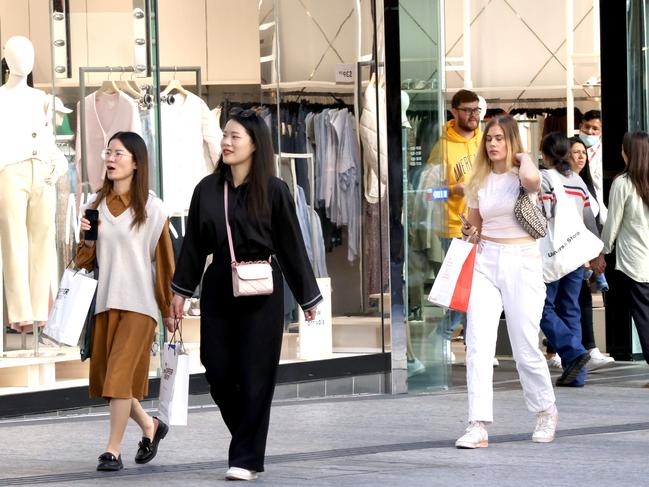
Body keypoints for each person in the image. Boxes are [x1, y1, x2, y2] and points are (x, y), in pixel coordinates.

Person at [170, 108, 322, 481]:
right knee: (218, 370)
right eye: (225, 136)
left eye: (235, 136)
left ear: (255, 144)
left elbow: (292, 247)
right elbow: (192, 247)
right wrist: (180, 293)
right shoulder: (207, 189)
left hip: (262, 287)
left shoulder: (274, 190)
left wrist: (309, 298)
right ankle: (247, 438)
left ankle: (246, 457)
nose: (226, 142)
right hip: (220, 285)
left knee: (256, 375)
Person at [456, 115, 557, 449]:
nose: (493, 144)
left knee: (525, 345)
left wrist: (523, 156)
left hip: (522, 262)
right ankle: (478, 424)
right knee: (478, 344)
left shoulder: (522, 175)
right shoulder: (479, 180)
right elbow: (474, 226)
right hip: (486, 260)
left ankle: (545, 409)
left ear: (511, 141)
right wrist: (468, 231)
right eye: (489, 139)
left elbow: (532, 181)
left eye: (499, 138)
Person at [76, 131, 175, 471]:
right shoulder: (94, 205)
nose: (111, 158)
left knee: (117, 377)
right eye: (108, 152)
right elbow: (83, 261)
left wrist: (169, 310)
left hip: (140, 306)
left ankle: (112, 451)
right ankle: (150, 426)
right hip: (105, 304)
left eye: (118, 153)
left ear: (136, 162)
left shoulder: (152, 208)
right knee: (110, 383)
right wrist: (87, 237)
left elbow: (164, 264)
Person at [0, 36, 67, 333]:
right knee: (14, 241)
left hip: (42, 170)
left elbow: (49, 142)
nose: (23, 59)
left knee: (43, 240)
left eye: (28, 52)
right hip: (9, 170)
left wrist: (59, 165)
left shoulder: (43, 100)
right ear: (5, 57)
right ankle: (20, 312)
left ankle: (40, 309)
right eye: (16, 52)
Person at [539, 133, 602, 388]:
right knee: (571, 309)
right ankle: (576, 374)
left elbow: (543, 216)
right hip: (575, 254)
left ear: (544, 154)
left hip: (552, 254)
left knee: (540, 307)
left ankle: (574, 351)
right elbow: (589, 217)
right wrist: (597, 252)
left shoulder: (545, 179)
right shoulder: (576, 180)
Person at [427, 89, 483, 360]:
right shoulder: (442, 146)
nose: (474, 115)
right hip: (453, 227)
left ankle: (473, 345)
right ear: (454, 111)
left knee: (476, 289)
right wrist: (453, 190)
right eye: (468, 110)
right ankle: (442, 337)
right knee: (462, 288)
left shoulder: (485, 141)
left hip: (483, 227)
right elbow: (428, 192)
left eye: (477, 110)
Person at [597, 131, 649, 371]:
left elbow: (612, 224)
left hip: (635, 263)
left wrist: (602, 251)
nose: (620, 151)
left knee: (644, 318)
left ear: (629, 152)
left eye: (623, 148)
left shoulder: (623, 183)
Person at [578, 110, 604, 200]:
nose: (589, 131)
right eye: (587, 127)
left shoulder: (602, 154)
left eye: (595, 128)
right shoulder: (569, 148)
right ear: (580, 126)